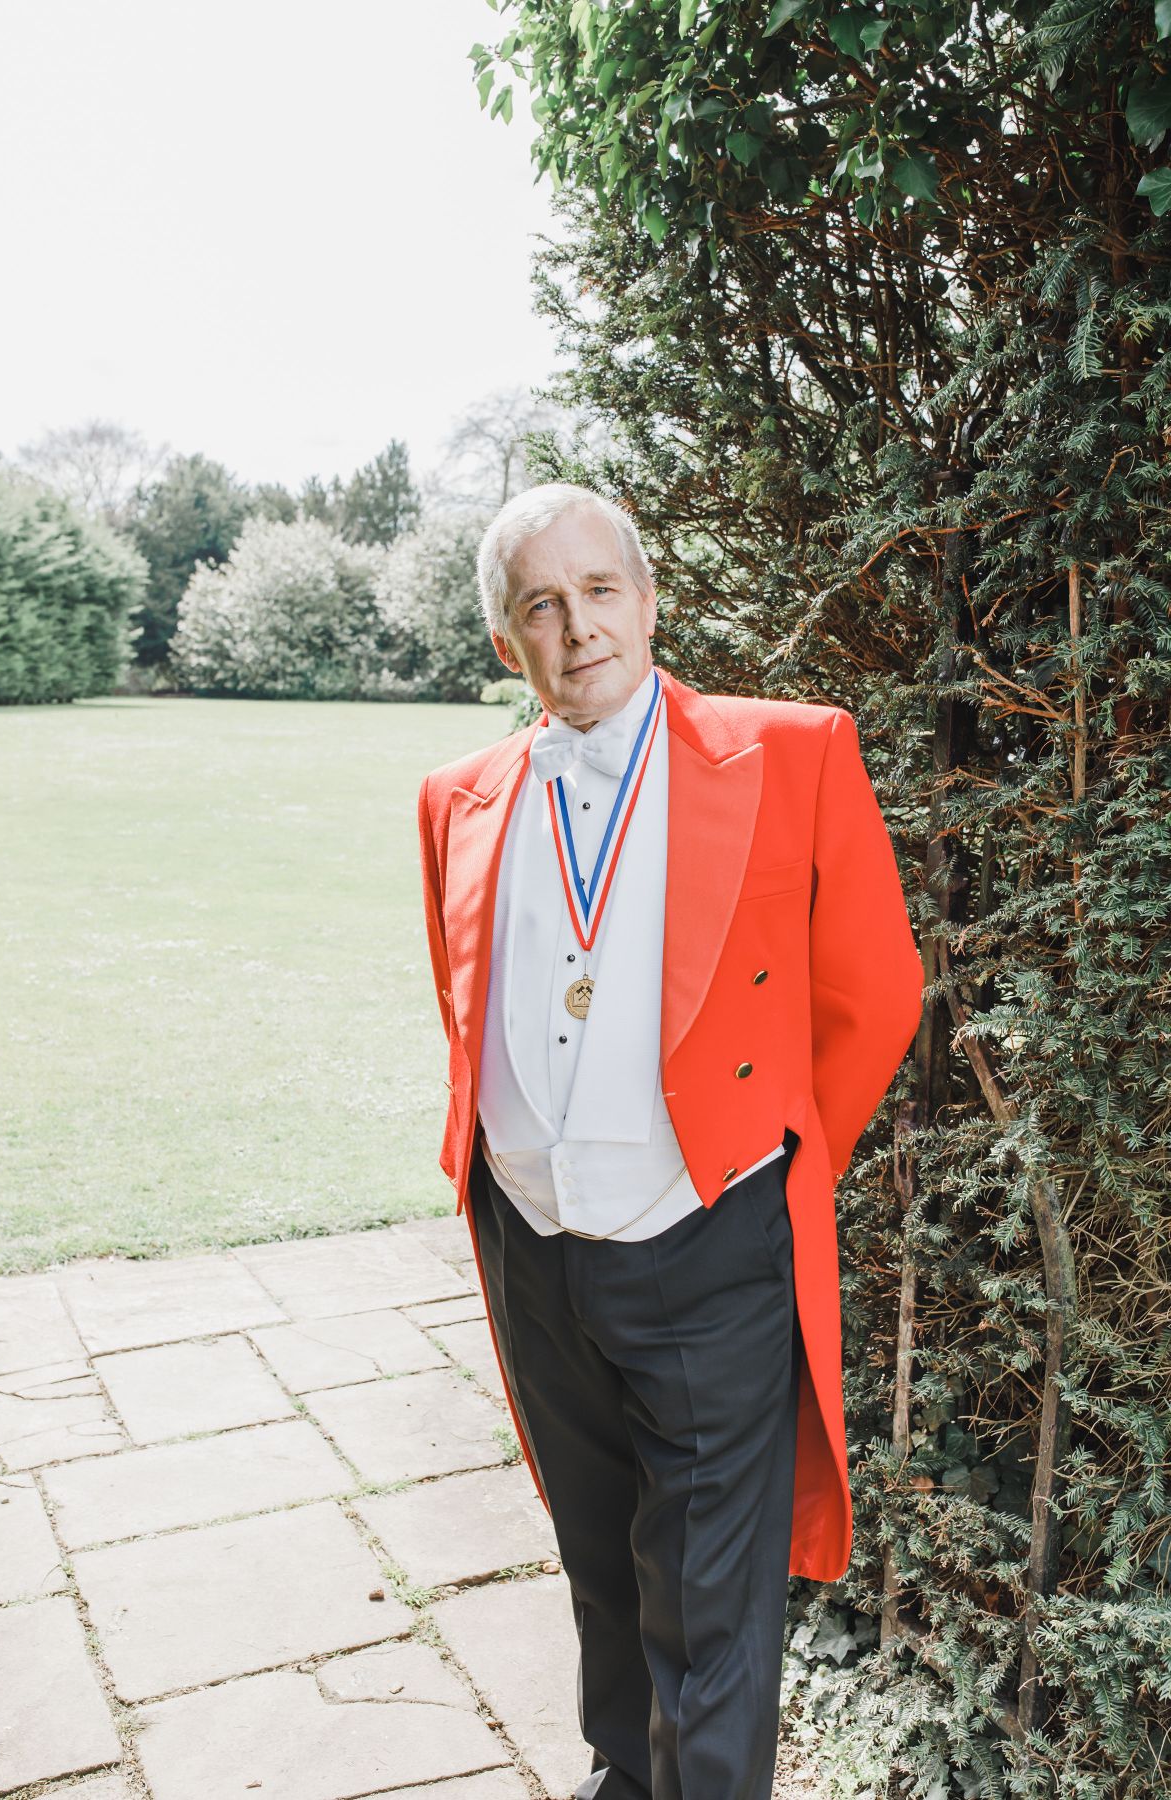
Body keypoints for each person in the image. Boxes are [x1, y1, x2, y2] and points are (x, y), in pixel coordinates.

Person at [416, 482, 924, 1800]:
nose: (578, 624)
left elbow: (877, 995)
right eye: (542, 605)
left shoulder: (793, 751)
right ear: (508, 644)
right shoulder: (455, 799)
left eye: (600, 590)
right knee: (598, 1560)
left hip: (710, 1247)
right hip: (533, 1252)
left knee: (708, 1611)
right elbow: (466, 1007)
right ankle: (620, 1777)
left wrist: (763, 1164)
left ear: (648, 603)